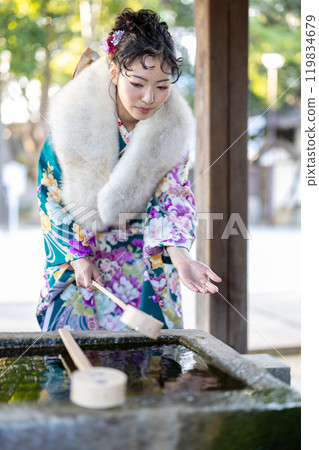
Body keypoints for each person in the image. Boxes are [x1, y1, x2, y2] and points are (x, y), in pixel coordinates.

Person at [37, 8, 221, 332]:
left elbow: (172, 197)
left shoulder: (171, 132)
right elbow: (50, 194)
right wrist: (77, 255)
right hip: (83, 250)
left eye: (162, 87)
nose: (150, 98)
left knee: (149, 366)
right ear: (113, 71)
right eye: (138, 83)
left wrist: (181, 258)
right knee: (72, 363)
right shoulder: (73, 121)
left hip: (143, 256)